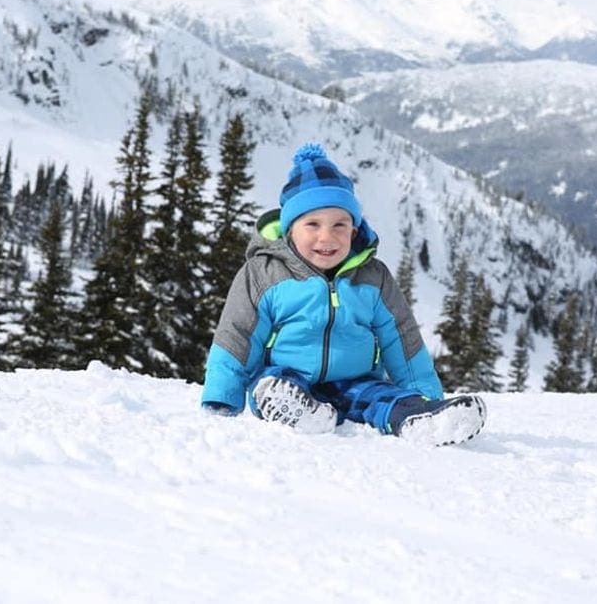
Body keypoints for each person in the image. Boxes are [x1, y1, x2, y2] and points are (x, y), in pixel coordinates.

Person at [201, 143, 486, 447]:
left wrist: (425, 394)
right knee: (271, 386)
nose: (327, 237)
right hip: (287, 376)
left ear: (354, 231)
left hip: (355, 381)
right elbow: (238, 334)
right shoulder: (264, 274)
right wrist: (223, 395)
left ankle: (419, 418)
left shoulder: (373, 278)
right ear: (289, 231)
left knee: (383, 397)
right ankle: (298, 413)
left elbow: (400, 337)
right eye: (312, 224)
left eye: (340, 225)